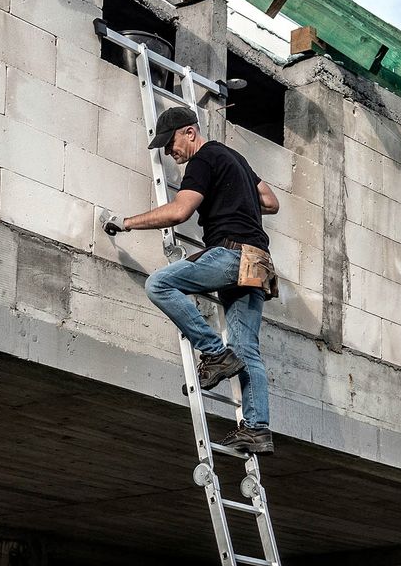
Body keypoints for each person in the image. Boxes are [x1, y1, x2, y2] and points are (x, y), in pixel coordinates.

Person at [100, 105, 280, 455]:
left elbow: (180, 211)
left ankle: (214, 354)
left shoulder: (203, 159)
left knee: (160, 284)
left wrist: (126, 223)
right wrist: (233, 196)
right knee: (247, 351)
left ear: (190, 132)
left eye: (171, 143)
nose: (170, 151)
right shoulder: (235, 159)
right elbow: (270, 202)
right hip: (258, 263)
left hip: (230, 255)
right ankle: (257, 430)